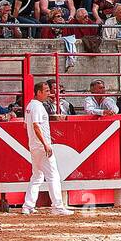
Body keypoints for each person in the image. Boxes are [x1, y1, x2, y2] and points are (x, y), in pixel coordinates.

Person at [22, 81, 72, 216]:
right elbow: (36, 126)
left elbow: (26, 126)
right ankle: (57, 206)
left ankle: (28, 206)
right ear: (38, 92)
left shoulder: (30, 106)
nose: (49, 93)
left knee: (37, 176)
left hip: (33, 145)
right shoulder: (37, 106)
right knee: (53, 175)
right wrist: (45, 144)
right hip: (41, 145)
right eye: (46, 91)